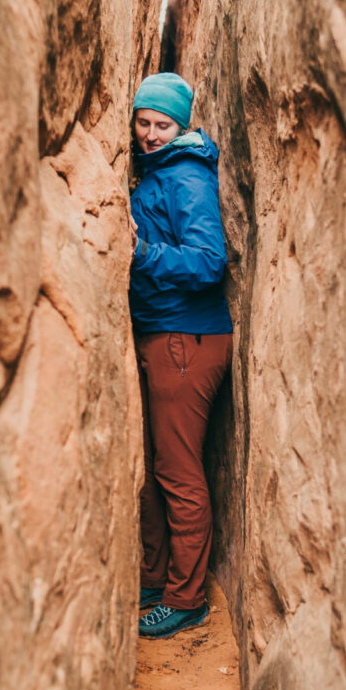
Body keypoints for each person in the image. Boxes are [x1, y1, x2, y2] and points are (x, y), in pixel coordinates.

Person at [127, 72, 233, 639]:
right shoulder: (157, 171)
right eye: (142, 122)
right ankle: (156, 575)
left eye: (161, 124)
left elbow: (208, 261)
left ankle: (187, 597)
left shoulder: (186, 176)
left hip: (186, 339)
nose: (149, 134)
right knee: (153, 468)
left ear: (181, 124)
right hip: (163, 334)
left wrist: (140, 252)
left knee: (177, 470)